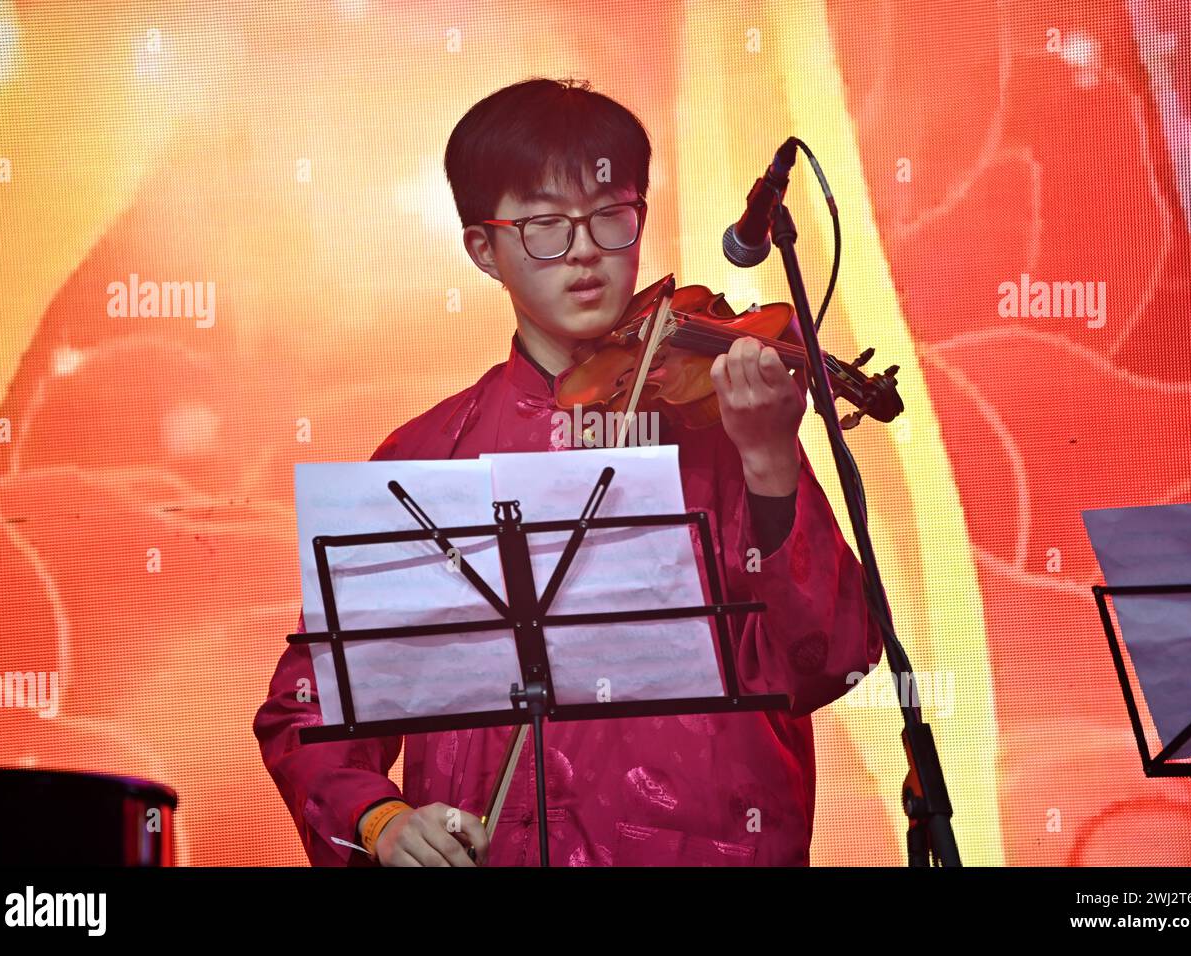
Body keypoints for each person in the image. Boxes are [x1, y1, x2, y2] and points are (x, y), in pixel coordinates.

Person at [254, 76, 883, 867]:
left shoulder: (720, 432)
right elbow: (306, 704)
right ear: (485, 249)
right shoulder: (428, 456)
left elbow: (828, 661)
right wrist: (380, 819)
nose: (584, 250)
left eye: (610, 218)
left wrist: (769, 461)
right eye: (546, 224)